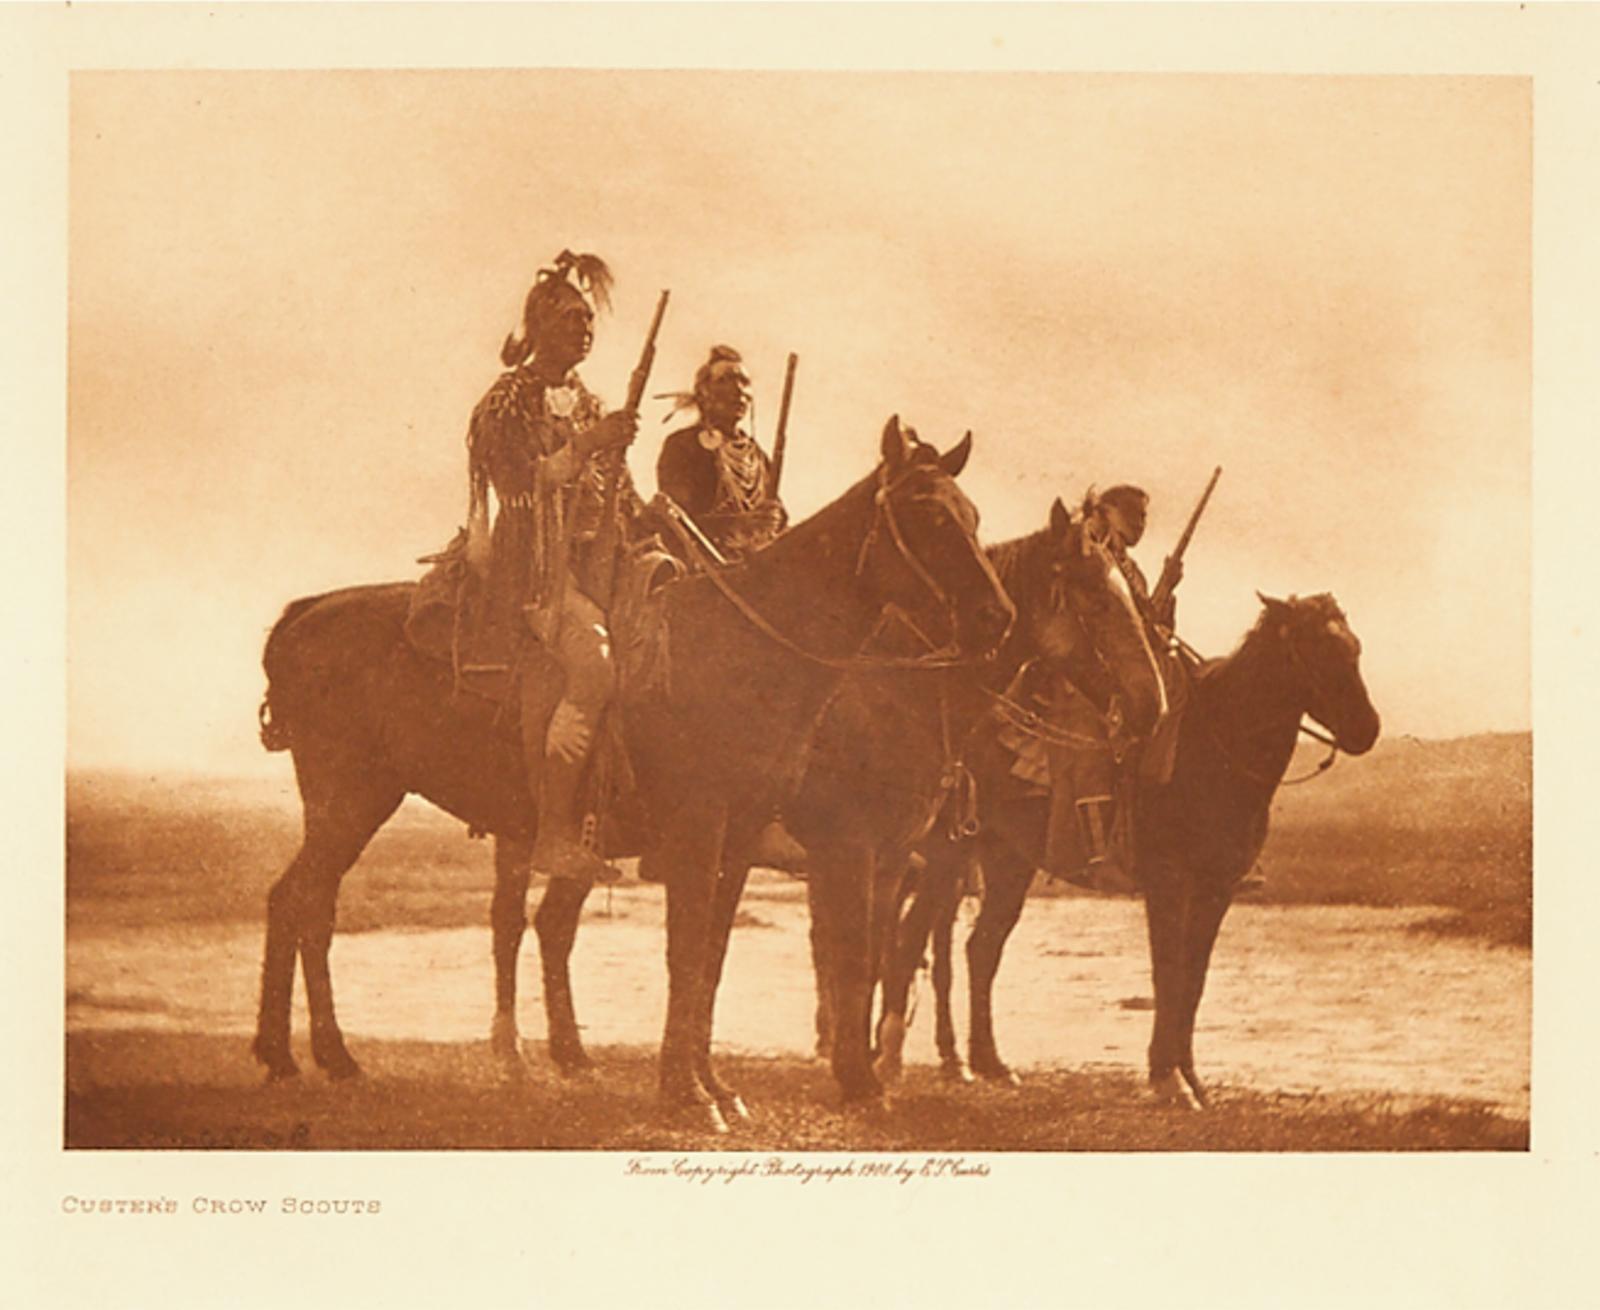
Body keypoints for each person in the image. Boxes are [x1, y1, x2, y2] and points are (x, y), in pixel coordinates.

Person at [466, 249, 642, 882]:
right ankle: (553, 834)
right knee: (592, 663)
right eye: (571, 319)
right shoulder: (507, 399)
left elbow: (612, 488)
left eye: (589, 320)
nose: (584, 330)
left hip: (602, 563)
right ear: (538, 326)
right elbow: (516, 482)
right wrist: (590, 444)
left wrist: (646, 516)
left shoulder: (588, 402)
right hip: (534, 573)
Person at [655, 346, 787, 560]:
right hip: (702, 569)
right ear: (704, 393)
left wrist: (773, 520)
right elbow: (674, 522)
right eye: (726, 380)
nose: (739, 390)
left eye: (744, 382)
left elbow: (780, 522)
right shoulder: (682, 445)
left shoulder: (758, 457)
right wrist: (740, 524)